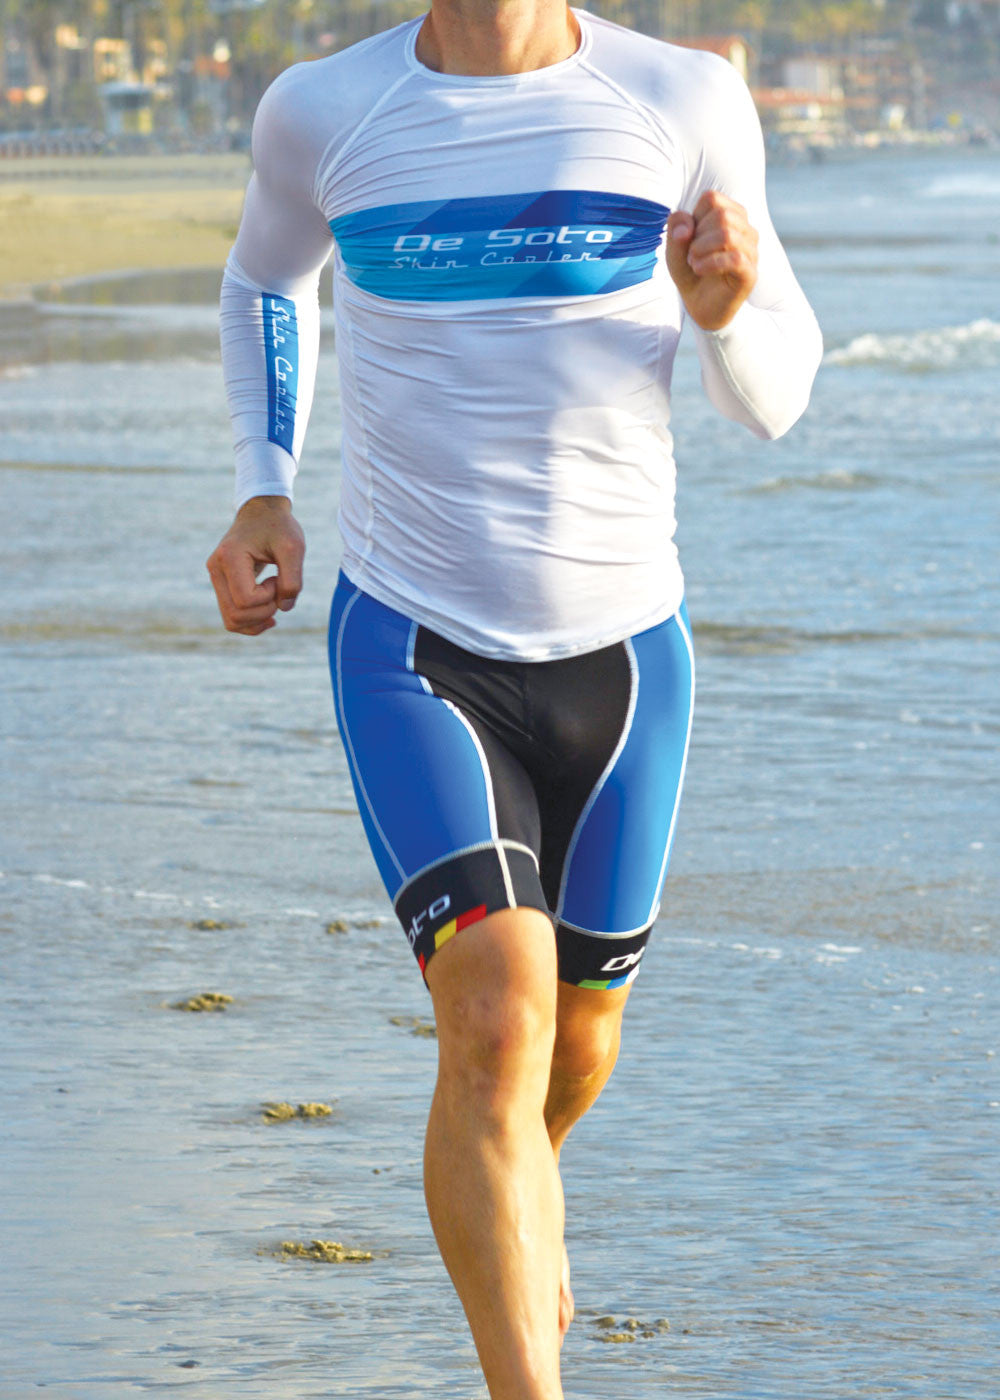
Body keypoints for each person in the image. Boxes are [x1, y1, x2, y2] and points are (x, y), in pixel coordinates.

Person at [207, 4, 822, 1396]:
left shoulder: (682, 98)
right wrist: (263, 485)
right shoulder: (324, 109)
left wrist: (726, 315)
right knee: (494, 1018)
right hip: (414, 645)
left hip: (626, 657)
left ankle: (511, 1191)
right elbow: (265, 282)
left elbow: (776, 395)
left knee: (576, 1037)